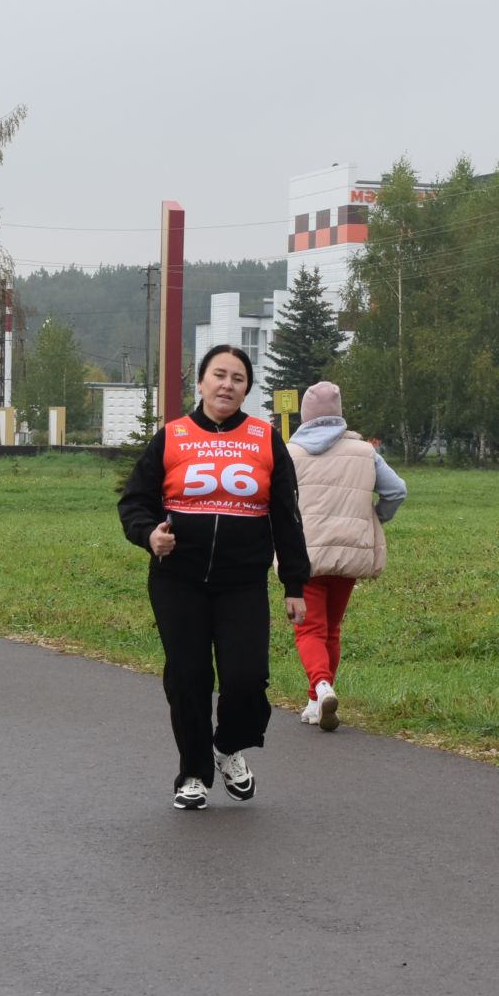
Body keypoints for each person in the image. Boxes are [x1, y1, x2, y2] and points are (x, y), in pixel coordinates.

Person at [118, 344, 310, 810]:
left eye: (238, 378)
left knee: (246, 678)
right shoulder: (172, 436)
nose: (227, 384)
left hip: (241, 582)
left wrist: (295, 585)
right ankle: (193, 772)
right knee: (188, 677)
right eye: (218, 375)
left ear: (247, 388)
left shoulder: (265, 439)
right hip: (178, 580)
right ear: (200, 383)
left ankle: (227, 748)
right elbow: (134, 502)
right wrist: (149, 537)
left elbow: (287, 516)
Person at [285, 381, 407, 732]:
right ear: (339, 415)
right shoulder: (364, 452)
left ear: (304, 416)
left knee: (308, 629)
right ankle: (315, 701)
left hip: (304, 556)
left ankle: (322, 685)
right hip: (349, 555)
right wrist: (376, 516)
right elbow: (397, 491)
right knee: (331, 630)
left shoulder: (290, 454)